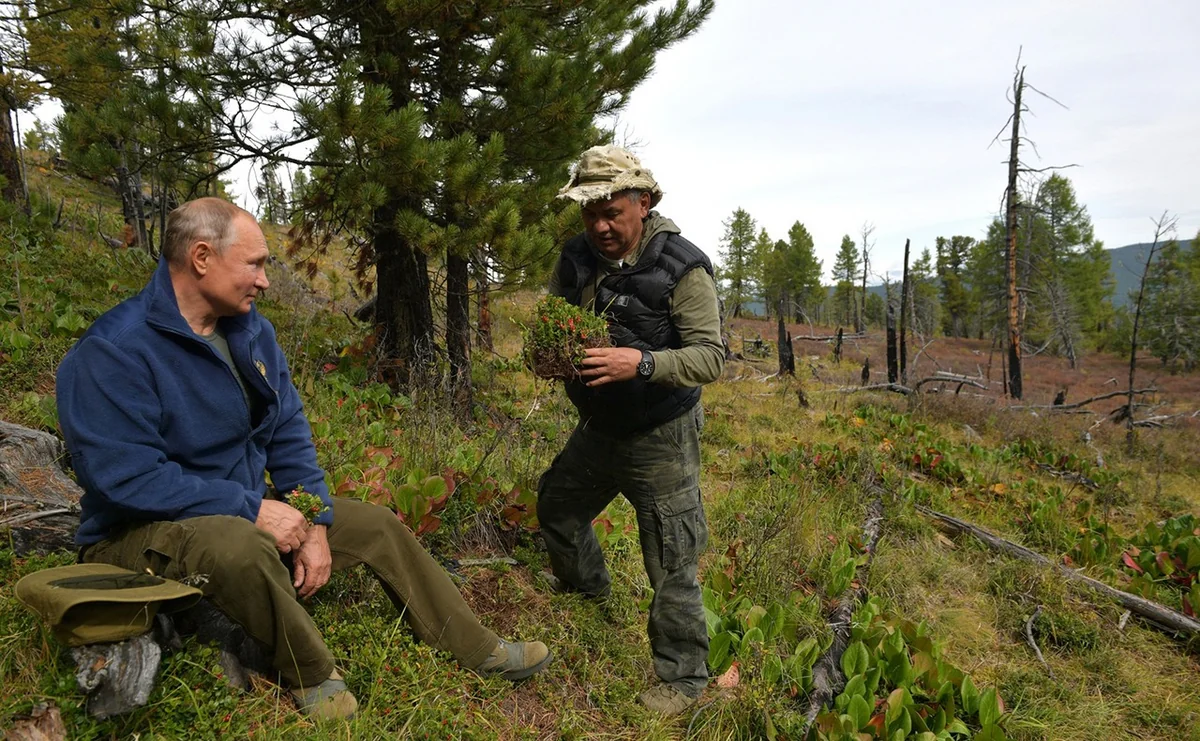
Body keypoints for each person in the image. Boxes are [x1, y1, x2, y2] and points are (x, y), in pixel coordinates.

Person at [55, 198, 551, 721]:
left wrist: (313, 519)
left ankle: (476, 647)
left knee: (377, 525)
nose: (265, 281)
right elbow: (126, 479)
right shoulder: (114, 350)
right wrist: (251, 509)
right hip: (137, 533)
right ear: (201, 257)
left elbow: (287, 431)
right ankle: (312, 673)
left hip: (238, 512)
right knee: (240, 545)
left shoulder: (249, 331)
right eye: (254, 264)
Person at [538, 146, 724, 715]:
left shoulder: (683, 268)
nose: (599, 226)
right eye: (589, 213)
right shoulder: (576, 256)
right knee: (558, 505)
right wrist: (548, 354)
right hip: (599, 426)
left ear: (643, 203)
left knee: (671, 556)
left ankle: (685, 681)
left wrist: (640, 363)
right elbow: (552, 318)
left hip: (661, 434)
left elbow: (710, 357)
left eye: (612, 213)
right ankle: (586, 590)